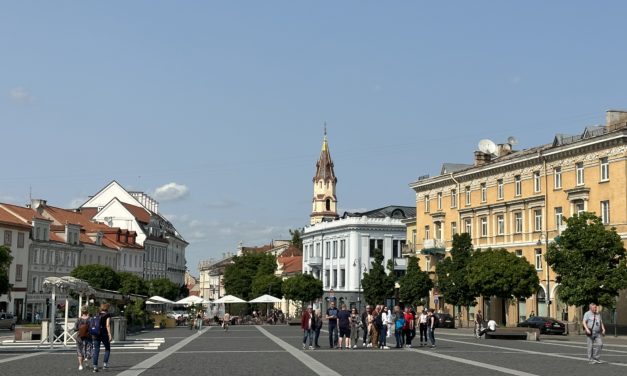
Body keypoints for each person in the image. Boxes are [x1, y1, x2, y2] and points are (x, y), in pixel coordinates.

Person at [92, 303, 112, 372]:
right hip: (104, 334)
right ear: (107, 308)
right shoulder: (107, 315)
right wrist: (109, 334)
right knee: (107, 348)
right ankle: (105, 364)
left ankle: (95, 366)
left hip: (96, 334)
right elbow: (107, 325)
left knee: (96, 350)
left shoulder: (96, 314)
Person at [73, 306, 92, 371]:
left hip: (79, 337)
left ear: (81, 311)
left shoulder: (78, 319)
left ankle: (80, 365)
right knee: (88, 349)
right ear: (87, 311)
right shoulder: (90, 319)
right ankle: (86, 358)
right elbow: (92, 328)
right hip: (88, 336)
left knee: (79, 350)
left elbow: (75, 328)